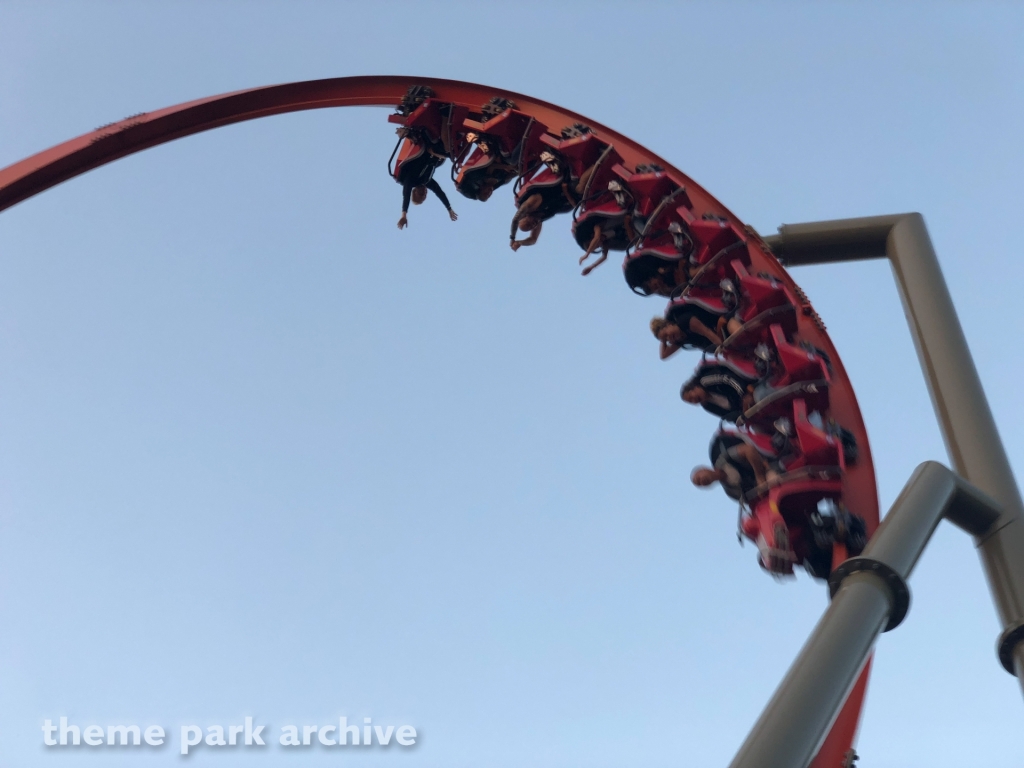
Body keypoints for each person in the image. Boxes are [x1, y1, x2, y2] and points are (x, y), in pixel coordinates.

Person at [510, 155, 599, 251]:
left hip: (563, 181)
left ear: (525, 216)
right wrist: (520, 242)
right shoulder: (539, 219)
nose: (532, 225)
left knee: (580, 189)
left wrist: (512, 238)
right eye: (530, 227)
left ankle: (599, 162)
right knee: (588, 205)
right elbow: (533, 239)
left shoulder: (531, 205)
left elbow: (515, 220)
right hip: (568, 194)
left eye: (528, 224)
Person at [690, 431, 778, 501]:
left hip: (771, 458)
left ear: (704, 469)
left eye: (698, 478)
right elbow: (753, 503)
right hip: (772, 491)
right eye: (700, 484)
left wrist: (760, 476)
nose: (701, 482)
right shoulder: (731, 491)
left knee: (773, 480)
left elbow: (749, 450)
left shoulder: (724, 459)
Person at [395, 137, 458, 229]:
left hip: (427, 146)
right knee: (454, 154)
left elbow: (406, 195)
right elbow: (439, 192)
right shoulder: (427, 181)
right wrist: (449, 208)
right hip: (437, 153)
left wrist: (404, 214)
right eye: (425, 196)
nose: (424, 193)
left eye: (421, 195)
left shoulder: (411, 180)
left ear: (415, 192)